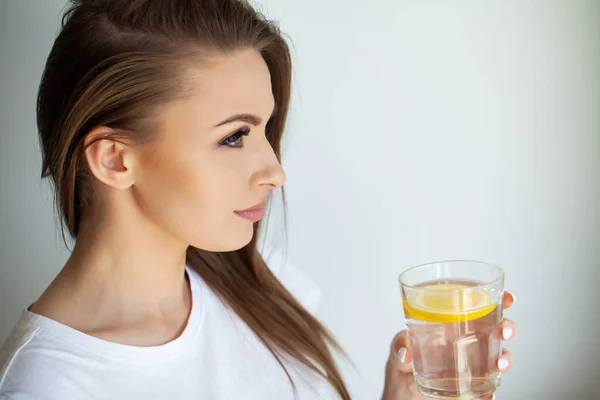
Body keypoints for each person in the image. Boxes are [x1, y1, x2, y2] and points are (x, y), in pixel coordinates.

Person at [0, 0, 516, 399]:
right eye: (233, 137)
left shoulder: (250, 278)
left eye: (265, 129)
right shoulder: (51, 385)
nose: (275, 171)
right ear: (114, 159)